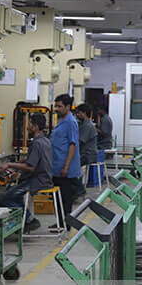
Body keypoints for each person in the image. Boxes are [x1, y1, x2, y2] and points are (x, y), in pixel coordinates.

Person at [0, 113, 53, 232]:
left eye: (29, 123)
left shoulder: (36, 143)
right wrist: (18, 164)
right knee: (15, 194)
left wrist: (9, 165)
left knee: (6, 198)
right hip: (45, 178)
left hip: (38, 181)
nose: (27, 126)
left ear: (35, 126)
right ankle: (22, 220)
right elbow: (33, 159)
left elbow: (31, 167)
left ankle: (29, 220)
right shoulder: (45, 140)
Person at [50, 94, 80, 231]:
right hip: (56, 165)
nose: (56, 109)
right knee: (58, 197)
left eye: (59, 106)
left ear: (68, 107)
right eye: (56, 106)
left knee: (65, 198)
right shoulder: (60, 119)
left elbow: (72, 145)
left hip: (65, 168)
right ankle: (59, 222)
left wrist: (66, 166)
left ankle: (65, 224)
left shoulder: (71, 122)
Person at [75, 103, 99, 189]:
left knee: (69, 164)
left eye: (78, 113)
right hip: (86, 154)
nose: (77, 115)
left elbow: (79, 142)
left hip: (88, 155)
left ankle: (77, 188)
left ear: (84, 113)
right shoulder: (84, 125)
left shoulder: (87, 126)